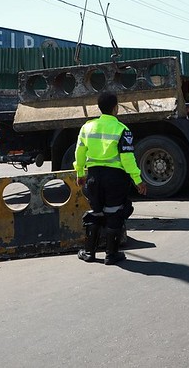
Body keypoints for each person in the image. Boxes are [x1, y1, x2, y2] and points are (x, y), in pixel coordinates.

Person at [73, 92, 147, 265]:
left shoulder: (87, 127)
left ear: (99, 107)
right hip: (115, 178)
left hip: (93, 177)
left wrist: (80, 174)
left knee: (96, 212)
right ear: (116, 108)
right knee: (114, 213)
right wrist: (138, 180)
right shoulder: (122, 129)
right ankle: (111, 255)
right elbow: (127, 158)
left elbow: (79, 152)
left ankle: (89, 253)